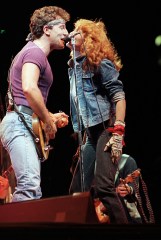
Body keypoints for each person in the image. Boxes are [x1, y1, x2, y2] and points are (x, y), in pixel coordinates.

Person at [0, 6, 70, 202]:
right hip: (18, 125)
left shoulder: (33, 53)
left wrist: (48, 115)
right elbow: (29, 88)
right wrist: (48, 120)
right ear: (47, 29)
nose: (66, 33)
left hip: (22, 122)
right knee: (29, 188)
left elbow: (26, 96)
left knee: (30, 189)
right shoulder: (35, 53)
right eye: (63, 27)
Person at [66, 18, 129, 224]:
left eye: (78, 31)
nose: (72, 33)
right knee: (77, 189)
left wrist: (118, 131)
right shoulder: (74, 68)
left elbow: (119, 97)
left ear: (89, 39)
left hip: (106, 129)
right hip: (90, 134)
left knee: (103, 186)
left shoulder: (101, 64)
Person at [94, 154, 142, 224]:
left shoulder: (128, 161)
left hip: (125, 217)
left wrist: (129, 189)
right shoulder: (97, 163)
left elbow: (134, 187)